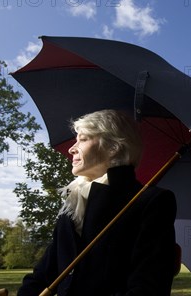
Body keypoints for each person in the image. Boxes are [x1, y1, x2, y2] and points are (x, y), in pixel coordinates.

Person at [18, 110, 178, 296]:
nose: (72, 149)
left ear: (113, 147)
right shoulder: (73, 201)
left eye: (83, 139)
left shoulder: (152, 201)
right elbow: (44, 273)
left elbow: (148, 286)